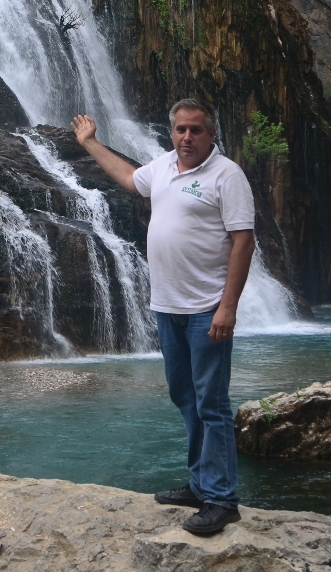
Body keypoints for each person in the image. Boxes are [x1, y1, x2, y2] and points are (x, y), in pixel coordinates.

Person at [72, 99, 255, 536]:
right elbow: (129, 178)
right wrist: (90, 142)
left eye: (195, 130)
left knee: (212, 403)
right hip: (166, 308)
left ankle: (222, 499)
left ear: (211, 134)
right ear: (171, 133)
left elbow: (243, 242)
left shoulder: (227, 175)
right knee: (186, 399)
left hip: (206, 309)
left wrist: (227, 307)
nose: (186, 137)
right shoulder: (165, 167)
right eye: (180, 130)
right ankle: (200, 484)